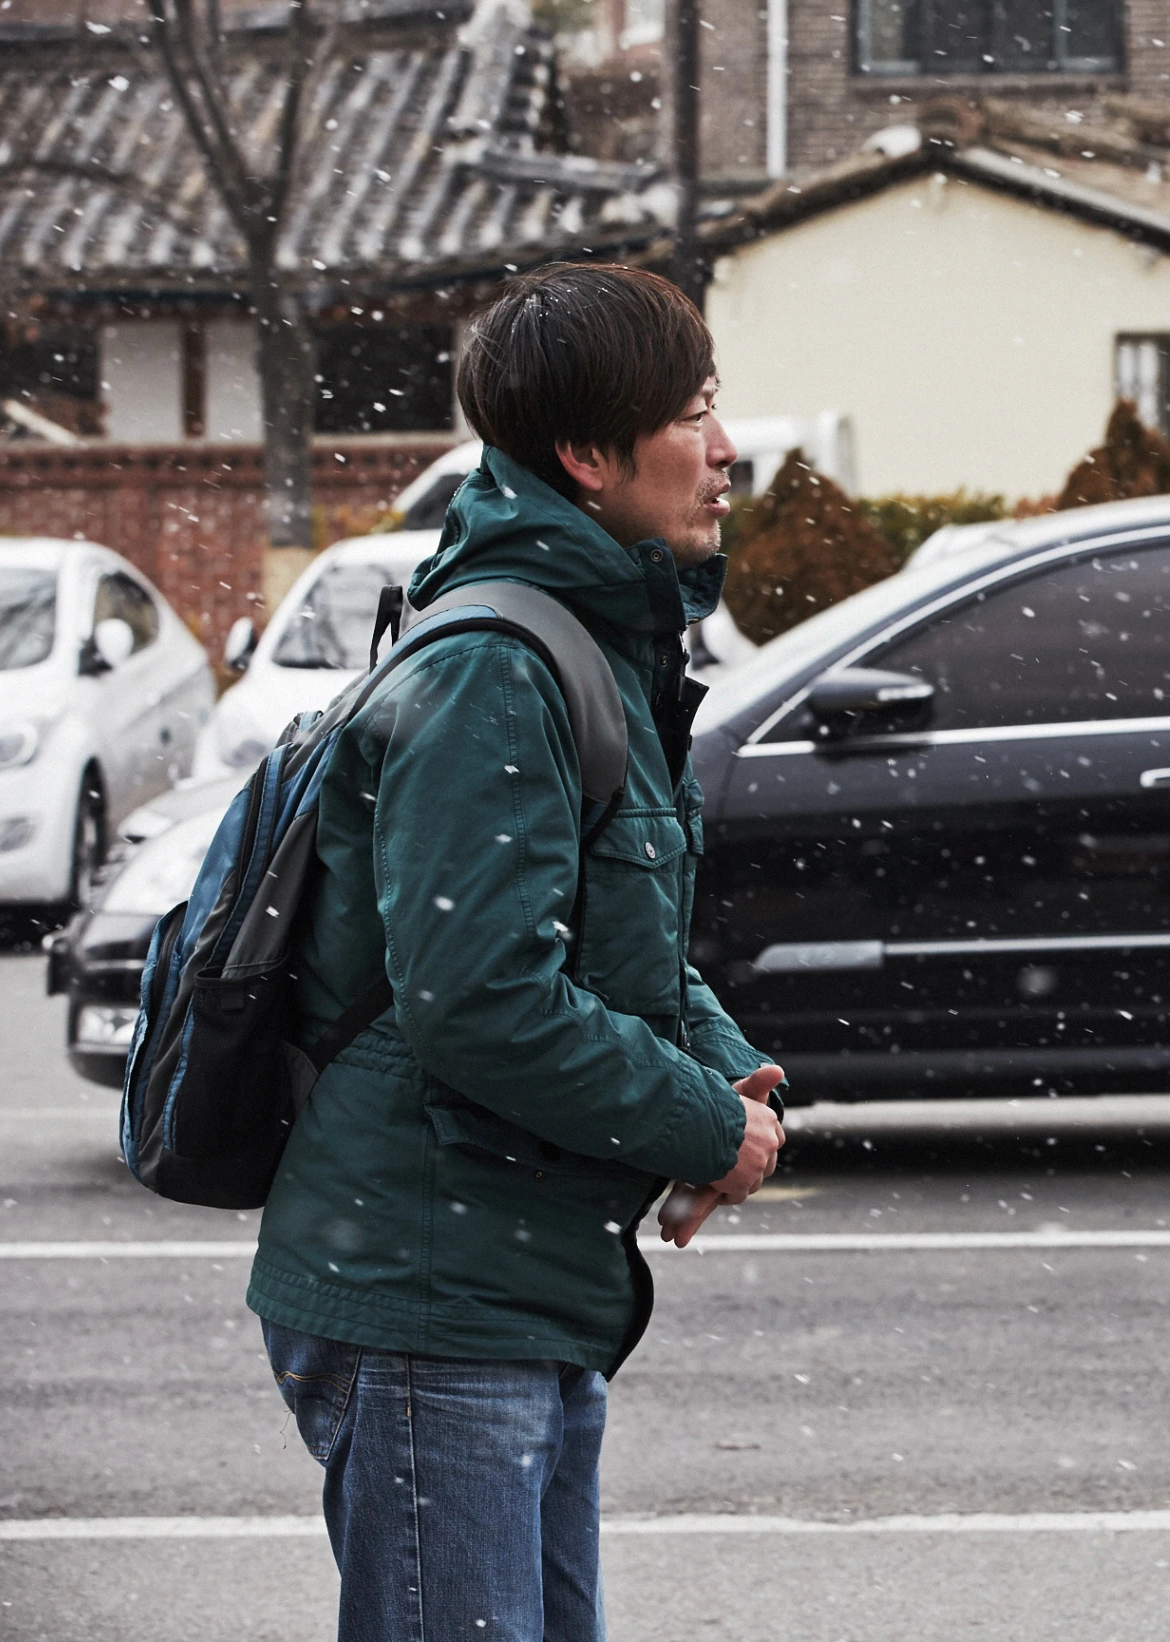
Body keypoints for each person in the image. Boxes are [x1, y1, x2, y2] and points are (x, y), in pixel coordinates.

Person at [246, 265, 787, 1640]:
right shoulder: (498, 663)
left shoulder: (597, 644)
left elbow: (606, 938)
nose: (726, 448)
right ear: (588, 457)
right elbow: (482, 999)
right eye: (694, 414)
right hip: (433, 1291)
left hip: (511, 1279)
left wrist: (729, 1080)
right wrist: (695, 1122)